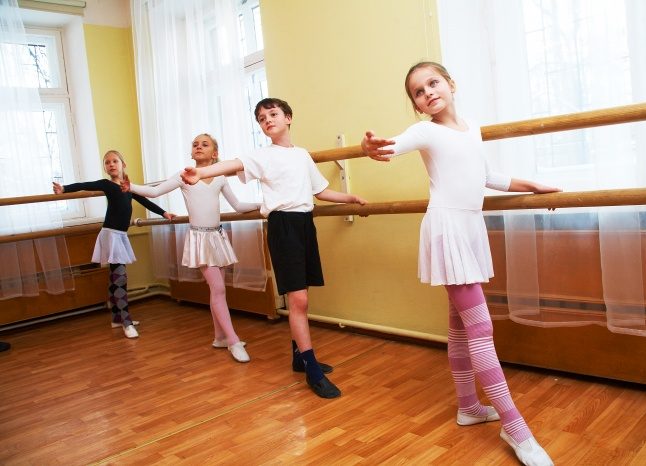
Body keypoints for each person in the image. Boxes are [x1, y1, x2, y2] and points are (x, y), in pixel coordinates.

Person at [361, 62, 559, 466]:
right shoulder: (425, 131)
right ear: (417, 105)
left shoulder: (473, 128)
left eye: (433, 83)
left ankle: (469, 406)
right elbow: (391, 146)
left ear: (450, 83)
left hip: (470, 226)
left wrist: (533, 185)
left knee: (459, 324)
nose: (428, 92)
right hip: (447, 227)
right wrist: (373, 148)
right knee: (481, 329)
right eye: (418, 92)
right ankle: (516, 427)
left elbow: (488, 176)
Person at [180, 98, 367, 399]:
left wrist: (351, 198)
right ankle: (312, 370)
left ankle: (298, 357)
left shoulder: (302, 155)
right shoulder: (262, 155)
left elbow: (320, 191)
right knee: (298, 300)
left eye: (273, 114)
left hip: (305, 224)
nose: (267, 119)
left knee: (302, 296)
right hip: (283, 226)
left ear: (288, 118)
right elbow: (234, 164)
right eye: (261, 118)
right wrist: (202, 173)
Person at [121, 134, 259, 363]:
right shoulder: (184, 175)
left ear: (215, 153)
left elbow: (237, 205)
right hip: (199, 238)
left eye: (204, 144)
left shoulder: (220, 177)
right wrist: (131, 187)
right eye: (195, 144)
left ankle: (219, 337)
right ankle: (233, 341)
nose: (198, 146)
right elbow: (155, 191)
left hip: (217, 237)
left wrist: (263, 205)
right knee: (218, 289)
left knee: (218, 290)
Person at [53, 150, 175, 339]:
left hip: (120, 235)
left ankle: (117, 318)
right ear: (105, 168)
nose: (111, 164)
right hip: (111, 235)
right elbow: (85, 185)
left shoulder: (128, 187)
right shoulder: (106, 184)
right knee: (120, 278)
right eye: (107, 162)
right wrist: (64, 188)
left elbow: (145, 201)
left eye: (115, 161)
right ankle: (126, 322)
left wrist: (164, 213)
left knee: (114, 276)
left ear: (123, 165)